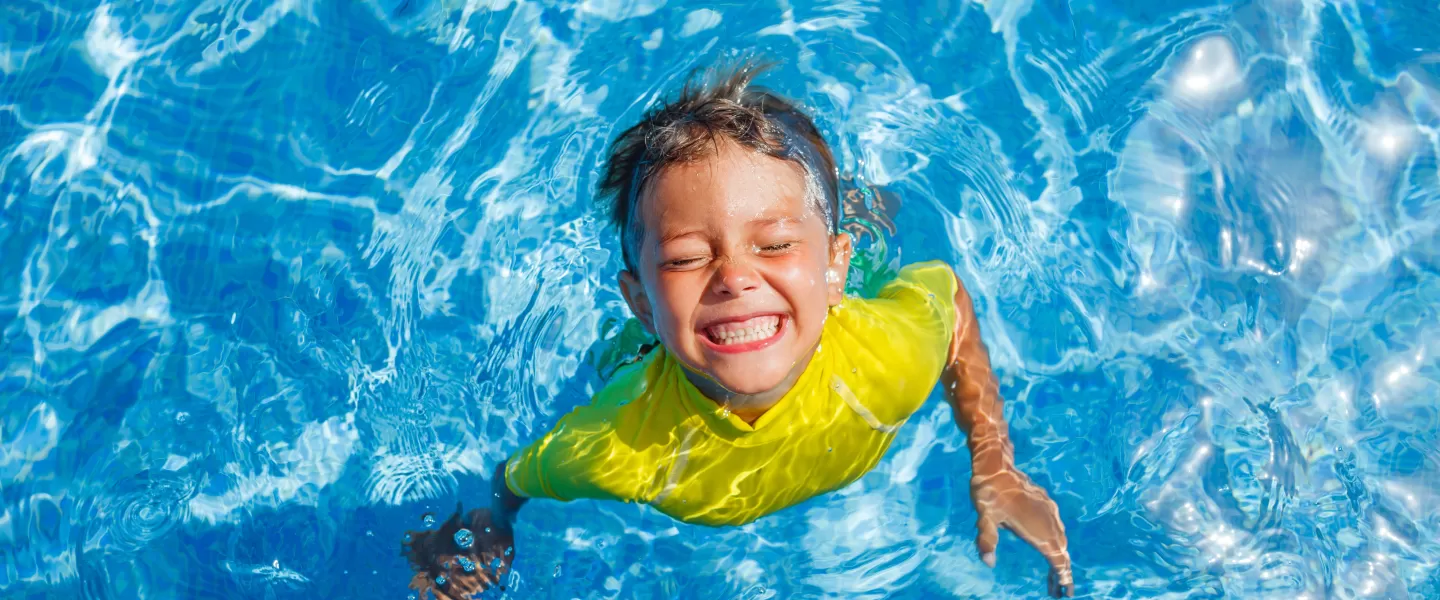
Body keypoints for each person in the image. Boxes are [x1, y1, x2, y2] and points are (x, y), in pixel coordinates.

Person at [402, 60, 1074, 598]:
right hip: (652, 354)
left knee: (872, 224)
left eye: (772, 246)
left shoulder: (886, 359)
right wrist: (488, 529)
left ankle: (852, 220)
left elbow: (948, 295)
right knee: (620, 358)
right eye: (688, 258)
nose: (733, 277)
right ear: (638, 296)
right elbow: (515, 478)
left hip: (839, 300)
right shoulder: (619, 442)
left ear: (830, 270)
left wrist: (993, 459)